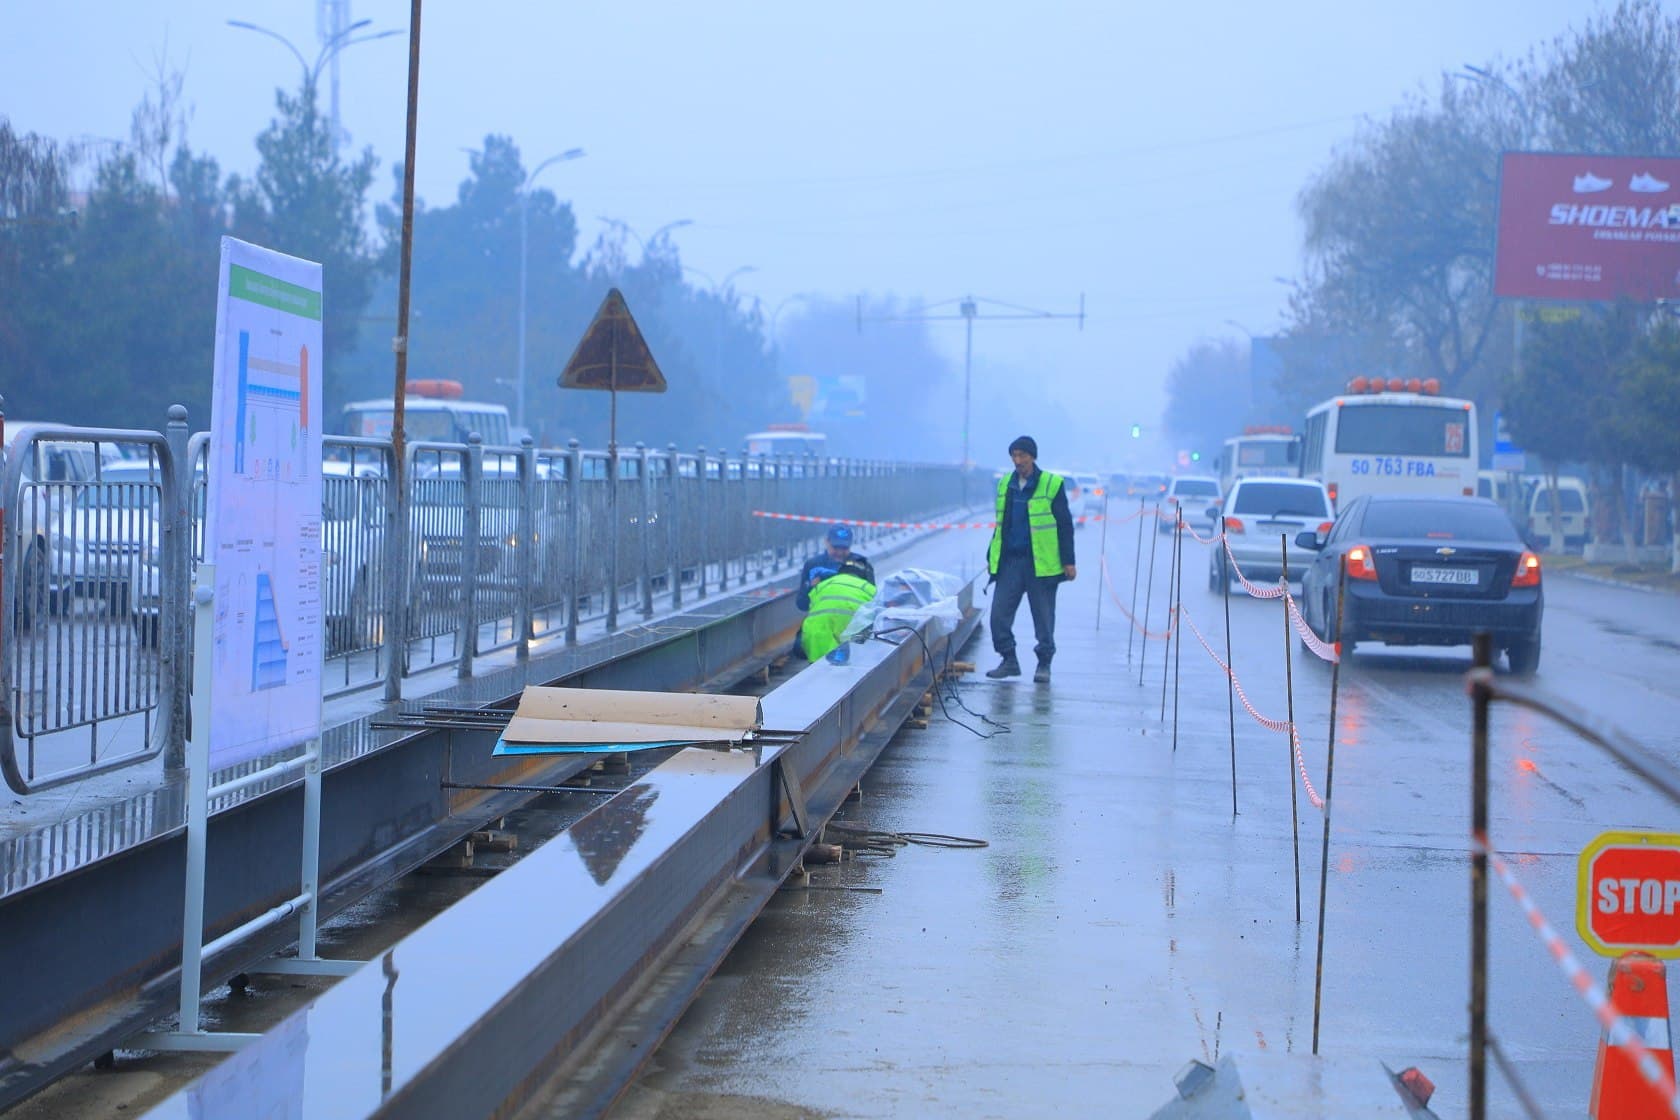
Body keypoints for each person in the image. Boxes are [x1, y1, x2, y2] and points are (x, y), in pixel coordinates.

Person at [985, 435, 1075, 683]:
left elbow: (1065, 525)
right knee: (998, 616)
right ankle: (1009, 659)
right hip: (1011, 563)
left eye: (1022, 455)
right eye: (1014, 455)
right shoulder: (1006, 484)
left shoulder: (1051, 484)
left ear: (1033, 457)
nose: (1018, 460)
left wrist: (1069, 561)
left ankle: (1043, 664)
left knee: (1044, 619)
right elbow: (1001, 525)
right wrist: (992, 557)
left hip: (1041, 565)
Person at [800, 557, 878, 663]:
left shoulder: (822, 586)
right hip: (852, 650)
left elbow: (806, 605)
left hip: (816, 644)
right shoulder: (870, 589)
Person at [796, 524, 875, 612]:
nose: (840, 553)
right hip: (822, 621)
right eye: (835, 547)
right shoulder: (813, 565)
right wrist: (811, 588)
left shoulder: (862, 565)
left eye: (844, 548)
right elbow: (801, 604)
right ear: (826, 542)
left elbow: (873, 600)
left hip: (853, 622)